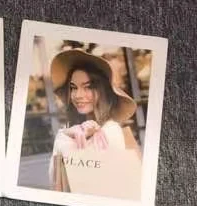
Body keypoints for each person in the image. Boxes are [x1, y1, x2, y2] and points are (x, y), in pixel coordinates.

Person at [47, 49, 141, 192]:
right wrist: (67, 134)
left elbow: (83, 179)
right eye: (73, 88)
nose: (78, 95)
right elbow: (55, 180)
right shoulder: (73, 129)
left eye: (88, 87)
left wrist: (63, 138)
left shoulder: (110, 129)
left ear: (103, 90)